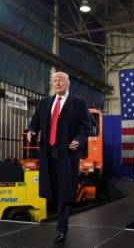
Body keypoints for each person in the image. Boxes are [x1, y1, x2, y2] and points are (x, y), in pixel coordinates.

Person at [27, 71, 90, 243]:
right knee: (52, 190)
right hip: (48, 154)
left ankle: (62, 228)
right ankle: (58, 219)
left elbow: (86, 128)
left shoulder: (78, 103)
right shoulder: (44, 103)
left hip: (67, 154)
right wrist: (32, 130)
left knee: (66, 191)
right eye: (55, 81)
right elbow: (35, 121)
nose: (57, 83)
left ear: (68, 83)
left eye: (61, 80)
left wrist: (79, 140)